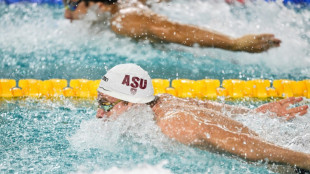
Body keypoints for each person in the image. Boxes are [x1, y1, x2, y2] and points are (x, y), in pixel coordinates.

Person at [95, 63, 310, 172]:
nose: (99, 113)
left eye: (105, 104)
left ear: (133, 105)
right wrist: (256, 114)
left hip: (290, 155)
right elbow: (205, 105)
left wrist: (303, 160)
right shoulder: (162, 101)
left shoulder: (173, 124)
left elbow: (243, 146)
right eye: (99, 102)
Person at [63, 0, 281, 53]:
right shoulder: (118, 8)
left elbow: (174, 31)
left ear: (98, 4)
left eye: (72, 4)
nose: (67, 14)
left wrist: (235, 43)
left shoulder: (124, 20)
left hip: (198, 53)